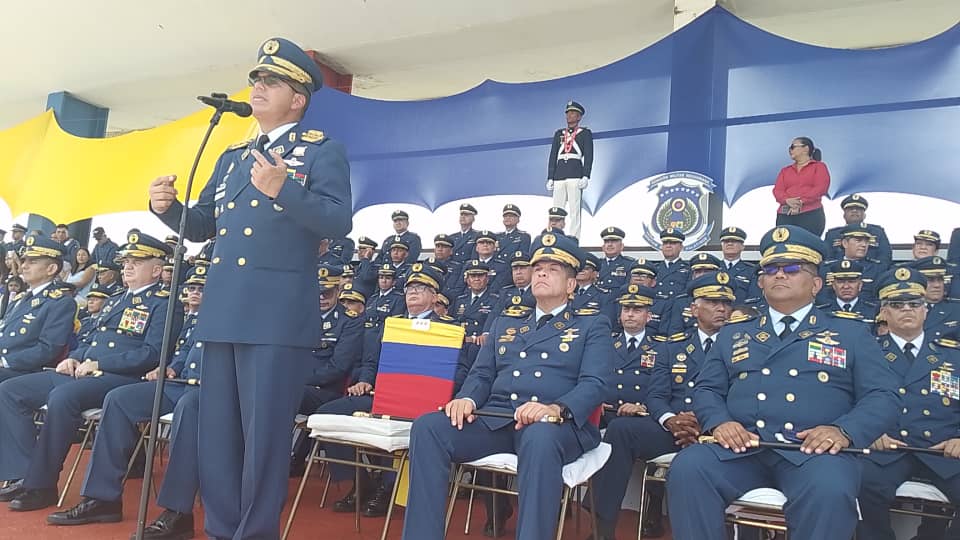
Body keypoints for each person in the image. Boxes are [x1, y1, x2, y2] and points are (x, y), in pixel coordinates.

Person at [147, 37, 352, 539]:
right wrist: (167, 209)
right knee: (217, 434)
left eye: (271, 81)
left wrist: (287, 189)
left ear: (297, 99)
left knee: (262, 439)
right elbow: (204, 224)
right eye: (256, 80)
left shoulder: (320, 151)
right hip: (223, 312)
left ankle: (254, 532)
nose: (258, 87)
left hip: (275, 317)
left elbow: (337, 221)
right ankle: (221, 529)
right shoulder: (234, 155)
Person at [665, 225, 900, 540]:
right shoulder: (736, 332)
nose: (780, 275)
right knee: (689, 466)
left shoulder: (851, 333)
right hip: (744, 450)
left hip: (813, 455)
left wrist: (843, 431)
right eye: (771, 269)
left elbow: (883, 396)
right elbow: (707, 389)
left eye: (791, 268)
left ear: (816, 283)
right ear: (760, 281)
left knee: (830, 489)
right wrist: (719, 422)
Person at [402, 232, 611, 540]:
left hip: (555, 424)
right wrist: (467, 399)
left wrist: (555, 408)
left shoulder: (591, 325)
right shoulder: (506, 324)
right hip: (499, 420)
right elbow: (482, 374)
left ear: (570, 285)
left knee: (540, 437)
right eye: (538, 267)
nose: (541, 273)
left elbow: (596, 384)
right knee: (428, 427)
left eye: (553, 269)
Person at [0, 232, 175, 512]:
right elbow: (92, 338)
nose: (128, 266)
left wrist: (101, 365)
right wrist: (75, 358)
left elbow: (153, 353)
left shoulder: (164, 303)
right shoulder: (118, 297)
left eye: (137, 261)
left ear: (157, 269)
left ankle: (41, 485)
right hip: (83, 369)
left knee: (63, 396)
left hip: (120, 377)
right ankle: (23, 472)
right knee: (9, 391)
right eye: (126, 260)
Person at [46, 265, 206, 531]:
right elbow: (187, 347)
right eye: (192, 287)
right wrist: (172, 367)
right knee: (119, 399)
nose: (195, 292)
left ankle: (177, 513)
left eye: (202, 288)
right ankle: (102, 498)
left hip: (208, 387)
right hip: (177, 384)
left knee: (189, 409)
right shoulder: (197, 315)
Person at [592, 272, 734, 539]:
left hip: (721, 432)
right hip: (676, 429)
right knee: (622, 429)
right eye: (713, 302)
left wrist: (710, 422)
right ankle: (603, 527)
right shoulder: (672, 348)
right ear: (693, 309)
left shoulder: (741, 346)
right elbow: (656, 395)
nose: (721, 308)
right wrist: (670, 420)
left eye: (726, 303)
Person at [316, 264, 460, 517]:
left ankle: (386, 487)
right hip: (383, 397)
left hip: (424, 405)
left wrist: (438, 393)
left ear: (435, 296)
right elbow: (371, 361)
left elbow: (460, 371)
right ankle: (360, 482)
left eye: (420, 288)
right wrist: (366, 381)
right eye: (409, 289)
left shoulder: (449, 329)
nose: (412, 293)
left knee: (398, 427)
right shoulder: (392, 325)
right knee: (327, 415)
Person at [853, 267, 960, 540]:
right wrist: (868, 431)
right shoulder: (866, 352)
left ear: (926, 310)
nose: (907, 310)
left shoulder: (953, 357)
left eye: (914, 303)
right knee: (859, 485)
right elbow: (846, 399)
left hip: (942, 449)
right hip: (886, 448)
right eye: (896, 305)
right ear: (884, 312)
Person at [0, 236, 77, 383]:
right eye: (24, 261)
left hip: (24, 370)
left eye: (33, 262)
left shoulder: (60, 303)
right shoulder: (20, 298)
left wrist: (5, 361)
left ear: (51, 269)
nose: (24, 266)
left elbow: (48, 348)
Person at [546, 101, 593, 239]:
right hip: (559, 174)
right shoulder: (559, 134)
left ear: (579, 117)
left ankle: (574, 238)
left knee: (574, 209)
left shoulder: (585, 133)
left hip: (575, 174)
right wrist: (550, 176)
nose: (569, 116)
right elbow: (553, 155)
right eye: (568, 113)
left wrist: (586, 175)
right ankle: (554, 236)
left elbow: (589, 155)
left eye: (573, 113)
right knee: (557, 210)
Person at [772, 137, 830, 235]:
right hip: (785, 214)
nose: (790, 150)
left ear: (805, 149)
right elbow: (777, 190)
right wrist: (787, 200)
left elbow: (821, 188)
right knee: (784, 244)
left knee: (808, 245)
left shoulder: (819, 167)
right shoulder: (785, 170)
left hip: (811, 213)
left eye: (793, 147)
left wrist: (801, 201)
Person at [822, 195, 892, 266]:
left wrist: (874, 272)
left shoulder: (877, 232)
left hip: (871, 272)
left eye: (858, 209)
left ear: (864, 215)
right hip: (839, 272)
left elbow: (885, 257)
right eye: (850, 209)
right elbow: (827, 258)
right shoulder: (832, 234)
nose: (854, 211)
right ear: (844, 215)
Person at [815, 259, 879, 321]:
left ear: (860, 285)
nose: (846, 286)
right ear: (833, 285)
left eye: (851, 282)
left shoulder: (873, 311)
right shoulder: (821, 312)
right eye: (840, 282)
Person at [718, 227, 760, 305]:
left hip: (740, 314)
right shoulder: (714, 268)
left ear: (742, 247)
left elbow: (754, 298)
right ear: (722, 246)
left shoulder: (751, 271)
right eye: (726, 241)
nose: (730, 244)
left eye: (734, 241)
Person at [653, 228, 690, 299]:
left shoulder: (688, 269)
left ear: (681, 247)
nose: (668, 246)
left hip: (677, 307)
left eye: (673, 243)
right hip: (657, 307)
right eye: (665, 243)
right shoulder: (654, 268)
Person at [598, 227, 635, 292]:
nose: (609, 245)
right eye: (606, 242)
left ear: (622, 246)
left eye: (614, 241)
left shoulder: (629, 265)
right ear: (603, 247)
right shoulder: (597, 264)